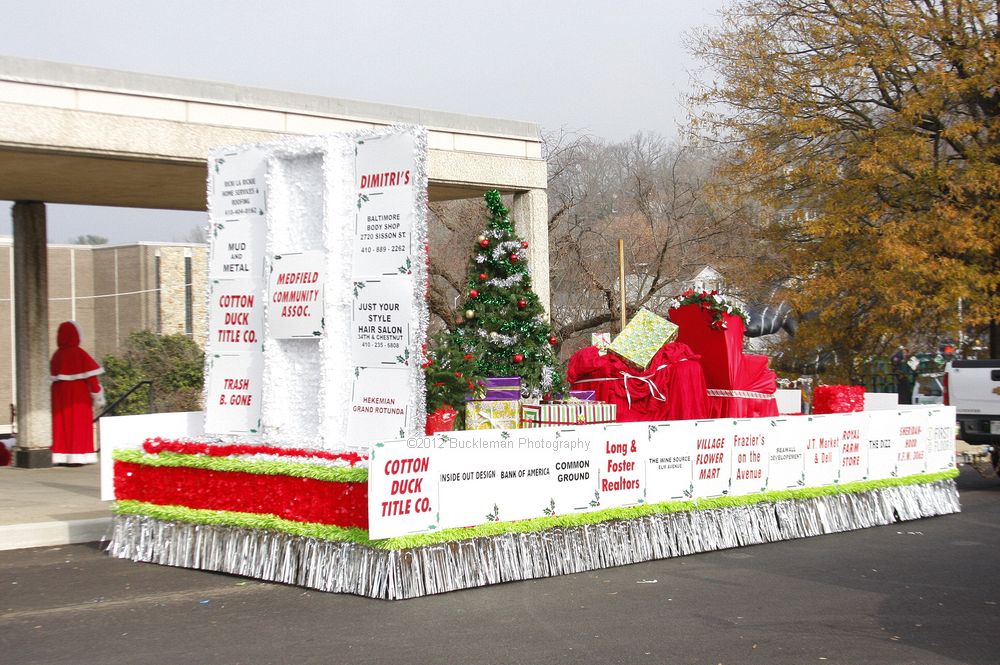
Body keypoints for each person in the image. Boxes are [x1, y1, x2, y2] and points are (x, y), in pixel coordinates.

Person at [50, 321, 105, 465]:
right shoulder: (79, 353)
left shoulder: (56, 355)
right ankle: (78, 455)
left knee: (61, 425)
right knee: (79, 425)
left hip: (59, 396)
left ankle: (61, 454)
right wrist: (98, 396)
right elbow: (93, 380)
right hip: (79, 396)